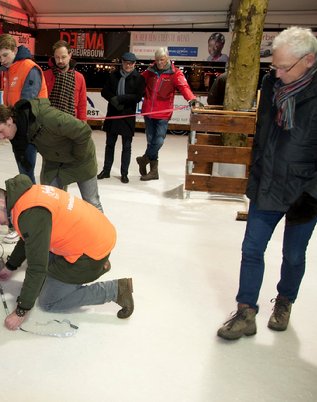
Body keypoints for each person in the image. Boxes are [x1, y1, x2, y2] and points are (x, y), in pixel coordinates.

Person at [217, 27, 317, 341]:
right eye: (274, 65)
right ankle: (246, 311)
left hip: (304, 192)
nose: (276, 72)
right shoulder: (271, 83)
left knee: (294, 255)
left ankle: (285, 301)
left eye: (283, 67)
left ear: (309, 60)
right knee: (251, 250)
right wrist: (256, 172)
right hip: (267, 183)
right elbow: (261, 133)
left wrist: (312, 194)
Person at [0, 174, 134, 330]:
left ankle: (115, 289)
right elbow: (28, 237)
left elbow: (37, 267)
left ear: (1, 202)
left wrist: (21, 311)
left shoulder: (29, 214)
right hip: (96, 235)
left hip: (89, 253)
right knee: (42, 276)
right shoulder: (26, 195)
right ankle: (98, 263)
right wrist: (11, 266)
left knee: (48, 301)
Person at [0, 98, 103, 212]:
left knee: (92, 202)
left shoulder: (47, 117)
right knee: (50, 203)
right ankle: (56, 232)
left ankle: (101, 233)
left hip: (80, 158)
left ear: (9, 120)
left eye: (0, 132)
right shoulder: (19, 128)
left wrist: (78, 157)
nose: (1, 137)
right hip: (54, 162)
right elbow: (20, 148)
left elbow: (83, 130)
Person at [0, 33, 48, 243]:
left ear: (15, 50)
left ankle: (29, 222)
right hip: (17, 130)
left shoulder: (28, 68)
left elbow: (26, 105)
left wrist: (11, 127)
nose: (2, 60)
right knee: (25, 174)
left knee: (26, 176)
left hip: (30, 131)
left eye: (5, 55)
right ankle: (30, 218)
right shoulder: (8, 70)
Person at [137, 47, 202, 181]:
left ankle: (144, 159)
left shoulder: (175, 73)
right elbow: (136, 81)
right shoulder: (149, 72)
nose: (159, 63)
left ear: (167, 58)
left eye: (162, 60)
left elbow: (184, 87)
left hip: (163, 113)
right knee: (151, 141)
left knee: (159, 140)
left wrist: (191, 99)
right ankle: (153, 172)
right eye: (157, 60)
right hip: (149, 111)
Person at [97, 52, 145, 183]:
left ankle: (124, 173)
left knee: (127, 147)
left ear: (134, 64)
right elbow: (104, 91)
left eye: (130, 63)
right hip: (113, 114)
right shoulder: (114, 75)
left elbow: (137, 97)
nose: (128, 65)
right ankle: (106, 170)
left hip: (127, 116)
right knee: (109, 145)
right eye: (125, 62)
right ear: (122, 63)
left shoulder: (139, 78)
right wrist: (112, 99)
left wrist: (120, 99)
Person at [43, 40, 87, 120]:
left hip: (71, 122)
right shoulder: (45, 75)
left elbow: (82, 105)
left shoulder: (79, 78)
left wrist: (83, 124)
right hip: (49, 122)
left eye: (63, 57)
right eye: (57, 57)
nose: (60, 61)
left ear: (70, 55)